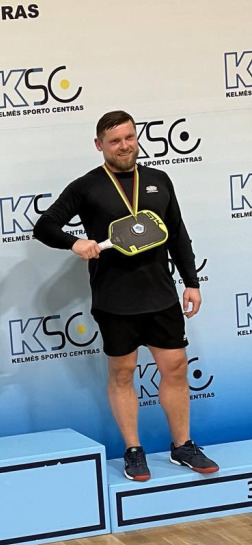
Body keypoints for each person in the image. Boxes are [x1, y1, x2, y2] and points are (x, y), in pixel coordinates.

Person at [33, 110, 218, 481]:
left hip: (161, 294)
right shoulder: (86, 187)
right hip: (114, 299)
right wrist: (75, 242)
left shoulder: (158, 180)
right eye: (114, 140)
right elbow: (44, 226)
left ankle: (182, 446)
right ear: (99, 145)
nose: (124, 146)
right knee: (122, 373)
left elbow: (177, 233)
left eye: (129, 137)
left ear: (136, 138)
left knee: (175, 368)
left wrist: (191, 282)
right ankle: (133, 450)